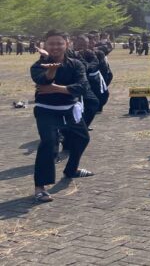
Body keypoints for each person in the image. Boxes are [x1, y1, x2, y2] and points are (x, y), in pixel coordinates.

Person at [30, 30, 94, 203]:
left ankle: (71, 170)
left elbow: (82, 87)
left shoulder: (76, 64)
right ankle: (40, 187)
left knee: (82, 138)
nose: (56, 47)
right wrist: (51, 72)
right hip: (47, 110)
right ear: (45, 45)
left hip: (69, 109)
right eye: (51, 43)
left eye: (59, 43)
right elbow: (42, 82)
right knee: (49, 142)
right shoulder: (38, 65)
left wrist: (56, 88)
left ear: (67, 43)